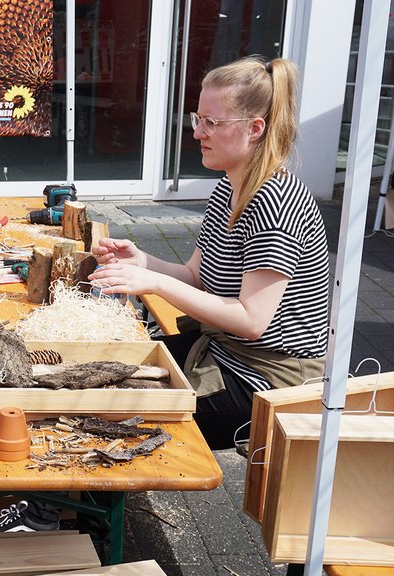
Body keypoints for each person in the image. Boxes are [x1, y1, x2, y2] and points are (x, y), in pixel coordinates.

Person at [90, 55, 330, 452]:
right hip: (222, 350)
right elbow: (196, 277)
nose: (198, 132)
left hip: (267, 382)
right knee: (101, 374)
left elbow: (251, 322)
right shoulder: (228, 189)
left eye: (212, 122)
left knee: (116, 412)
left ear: (255, 128)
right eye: (197, 118)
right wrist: (142, 261)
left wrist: (154, 283)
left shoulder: (275, 202)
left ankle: (108, 493)